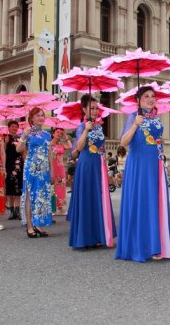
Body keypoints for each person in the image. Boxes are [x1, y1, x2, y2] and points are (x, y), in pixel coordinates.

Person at [116, 84, 170, 262]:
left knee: (154, 203)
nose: (150, 99)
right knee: (141, 202)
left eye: (152, 96)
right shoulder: (133, 117)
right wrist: (135, 124)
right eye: (146, 96)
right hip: (139, 166)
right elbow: (124, 142)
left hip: (155, 164)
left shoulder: (157, 118)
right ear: (138, 100)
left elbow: (157, 140)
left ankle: (155, 245)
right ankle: (139, 245)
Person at [68, 95, 116, 248]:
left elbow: (101, 146)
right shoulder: (82, 127)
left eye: (97, 108)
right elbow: (79, 148)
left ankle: (97, 235)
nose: (95, 111)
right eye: (92, 108)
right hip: (86, 165)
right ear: (84, 109)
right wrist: (86, 131)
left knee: (98, 198)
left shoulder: (99, 126)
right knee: (87, 198)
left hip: (98, 164)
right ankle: (85, 237)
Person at [16, 107, 53, 238]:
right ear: (31, 118)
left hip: (44, 170)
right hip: (31, 169)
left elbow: (49, 154)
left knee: (41, 196)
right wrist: (24, 136)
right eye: (38, 115)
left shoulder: (47, 135)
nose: (41, 117)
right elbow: (19, 149)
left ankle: (39, 224)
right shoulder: (27, 133)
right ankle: (30, 226)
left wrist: (51, 171)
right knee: (29, 196)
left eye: (43, 115)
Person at [4, 121, 23, 220]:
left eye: (16, 126)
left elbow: (23, 151)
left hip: (19, 164)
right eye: (12, 126)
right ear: (8, 127)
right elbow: (2, 151)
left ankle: (17, 211)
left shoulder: (21, 138)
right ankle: (11, 212)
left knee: (17, 190)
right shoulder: (5, 138)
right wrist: (6, 143)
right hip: (9, 164)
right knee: (10, 190)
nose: (14, 128)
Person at [51, 127, 72, 215]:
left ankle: (60, 208)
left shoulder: (61, 145)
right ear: (53, 134)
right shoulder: (49, 144)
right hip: (52, 168)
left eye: (61, 133)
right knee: (52, 187)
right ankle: (52, 208)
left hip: (61, 168)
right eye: (57, 132)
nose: (59, 134)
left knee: (61, 187)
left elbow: (70, 146)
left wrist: (66, 136)